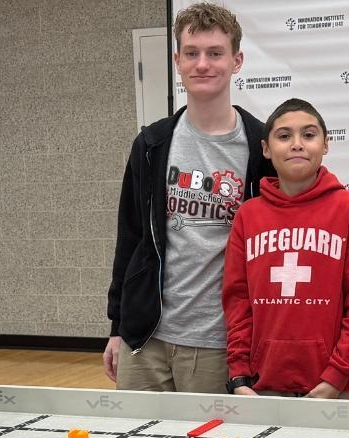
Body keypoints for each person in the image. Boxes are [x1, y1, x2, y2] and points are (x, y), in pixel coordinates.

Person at [105, 1, 274, 394]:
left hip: (217, 342)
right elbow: (129, 239)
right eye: (193, 54)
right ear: (177, 61)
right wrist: (117, 328)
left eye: (215, 53)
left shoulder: (260, 145)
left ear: (237, 61)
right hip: (145, 338)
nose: (203, 64)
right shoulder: (151, 144)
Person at [222, 98, 349, 399]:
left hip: (333, 386)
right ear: (266, 149)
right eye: (284, 136)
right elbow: (237, 302)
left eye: (308, 135)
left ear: (325, 145)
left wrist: (337, 375)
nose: (297, 144)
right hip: (261, 385)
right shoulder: (249, 215)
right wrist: (239, 374)